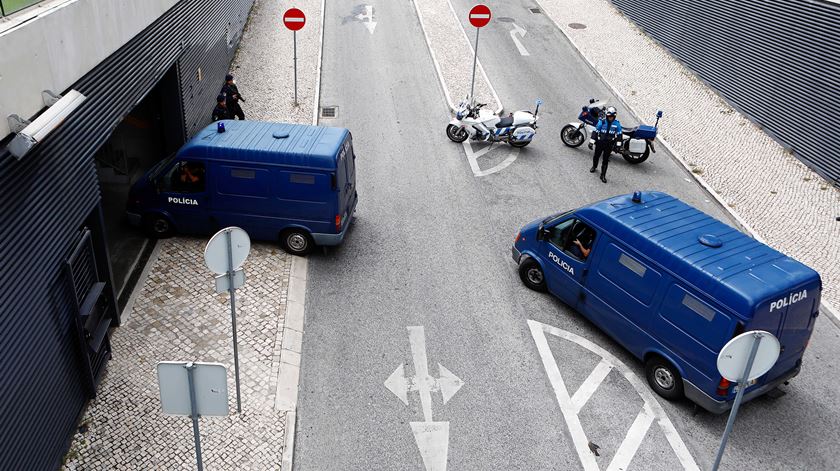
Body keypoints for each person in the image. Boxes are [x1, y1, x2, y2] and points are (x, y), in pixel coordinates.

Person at [588, 106, 623, 183]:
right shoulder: (602, 122)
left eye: (612, 116)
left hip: (609, 145)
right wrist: (591, 142)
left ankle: (603, 175)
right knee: (596, 156)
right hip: (600, 143)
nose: (611, 118)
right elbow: (595, 131)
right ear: (607, 115)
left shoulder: (617, 124)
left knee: (605, 160)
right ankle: (594, 166)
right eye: (609, 116)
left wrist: (618, 146)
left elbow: (620, 135)